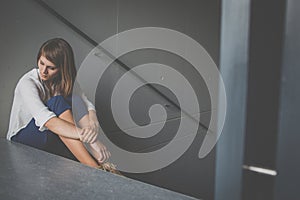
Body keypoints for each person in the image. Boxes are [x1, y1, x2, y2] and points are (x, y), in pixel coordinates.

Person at [6, 38, 110, 168]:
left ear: (62, 68)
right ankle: (96, 166)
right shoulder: (28, 82)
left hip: (53, 133)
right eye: (41, 63)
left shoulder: (64, 80)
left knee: (75, 100)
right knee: (57, 102)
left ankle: (99, 163)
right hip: (22, 138)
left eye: (51, 68)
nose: (44, 71)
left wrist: (93, 123)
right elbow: (47, 121)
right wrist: (92, 140)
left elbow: (85, 103)